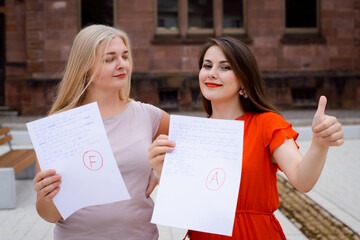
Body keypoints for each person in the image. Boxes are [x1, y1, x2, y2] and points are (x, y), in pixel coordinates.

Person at [148, 36, 344, 239]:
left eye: (225, 67)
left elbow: (303, 180)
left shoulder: (267, 124)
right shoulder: (194, 134)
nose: (212, 74)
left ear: (244, 78)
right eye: (207, 66)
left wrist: (319, 144)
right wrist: (164, 172)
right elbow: (189, 206)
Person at [33, 24, 169, 240]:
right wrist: (46, 196)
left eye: (125, 56)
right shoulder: (57, 127)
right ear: (85, 68)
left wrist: (160, 173)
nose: (122, 64)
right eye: (110, 59)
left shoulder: (148, 116)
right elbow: (49, 215)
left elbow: (190, 152)